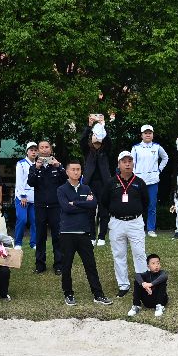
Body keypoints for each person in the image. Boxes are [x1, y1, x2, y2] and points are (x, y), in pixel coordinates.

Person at [55, 160, 112, 307]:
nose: (76, 172)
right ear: (67, 172)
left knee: (90, 265)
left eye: (78, 169)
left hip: (84, 233)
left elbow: (93, 204)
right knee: (66, 266)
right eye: (73, 169)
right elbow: (66, 208)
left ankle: (98, 294)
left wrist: (75, 203)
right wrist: (83, 204)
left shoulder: (86, 188)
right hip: (67, 233)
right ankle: (68, 294)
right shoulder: (61, 189)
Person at [105, 150, 149, 297]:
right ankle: (123, 285)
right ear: (119, 164)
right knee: (119, 254)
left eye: (130, 161)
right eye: (124, 161)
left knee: (139, 253)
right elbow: (104, 201)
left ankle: (142, 283)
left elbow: (146, 202)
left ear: (133, 163)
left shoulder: (139, 182)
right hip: (116, 222)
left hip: (135, 222)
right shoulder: (111, 182)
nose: (127, 164)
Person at [27, 141, 63, 274]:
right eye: (41, 147)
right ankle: (40, 264)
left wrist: (59, 167)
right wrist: (37, 168)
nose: (44, 149)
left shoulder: (57, 165)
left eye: (46, 147)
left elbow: (65, 180)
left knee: (57, 236)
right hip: (40, 206)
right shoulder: (34, 167)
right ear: (38, 151)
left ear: (51, 149)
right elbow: (30, 182)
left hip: (55, 206)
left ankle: (59, 264)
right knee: (40, 236)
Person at [130, 125, 169, 236]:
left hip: (153, 180)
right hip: (138, 181)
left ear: (152, 134)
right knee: (137, 205)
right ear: (141, 135)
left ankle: (151, 229)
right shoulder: (136, 148)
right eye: (145, 133)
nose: (148, 135)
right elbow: (131, 163)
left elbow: (165, 158)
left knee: (152, 205)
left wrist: (159, 170)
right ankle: (137, 228)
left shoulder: (157, 147)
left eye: (150, 133)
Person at [81, 117, 114, 246]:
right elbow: (83, 140)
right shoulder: (87, 150)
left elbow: (108, 140)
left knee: (104, 211)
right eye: (94, 134)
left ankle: (102, 236)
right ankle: (92, 236)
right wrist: (89, 125)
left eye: (99, 135)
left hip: (104, 184)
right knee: (90, 210)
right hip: (89, 184)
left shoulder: (105, 150)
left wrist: (103, 125)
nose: (97, 137)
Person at [12, 142, 37, 246]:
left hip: (34, 197)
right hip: (22, 197)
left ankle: (34, 243)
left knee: (35, 221)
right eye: (31, 150)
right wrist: (23, 196)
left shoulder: (38, 164)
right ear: (27, 152)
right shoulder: (21, 163)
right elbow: (19, 181)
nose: (33, 152)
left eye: (35, 150)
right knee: (22, 219)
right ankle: (18, 243)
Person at [128, 253, 168, 318]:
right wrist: (144, 284)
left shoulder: (162, 273)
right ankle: (136, 305)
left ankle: (159, 306)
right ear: (148, 266)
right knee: (137, 281)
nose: (156, 265)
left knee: (162, 281)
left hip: (161, 300)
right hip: (147, 301)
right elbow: (137, 275)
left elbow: (164, 276)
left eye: (158, 263)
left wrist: (150, 284)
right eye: (153, 263)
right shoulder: (146, 274)